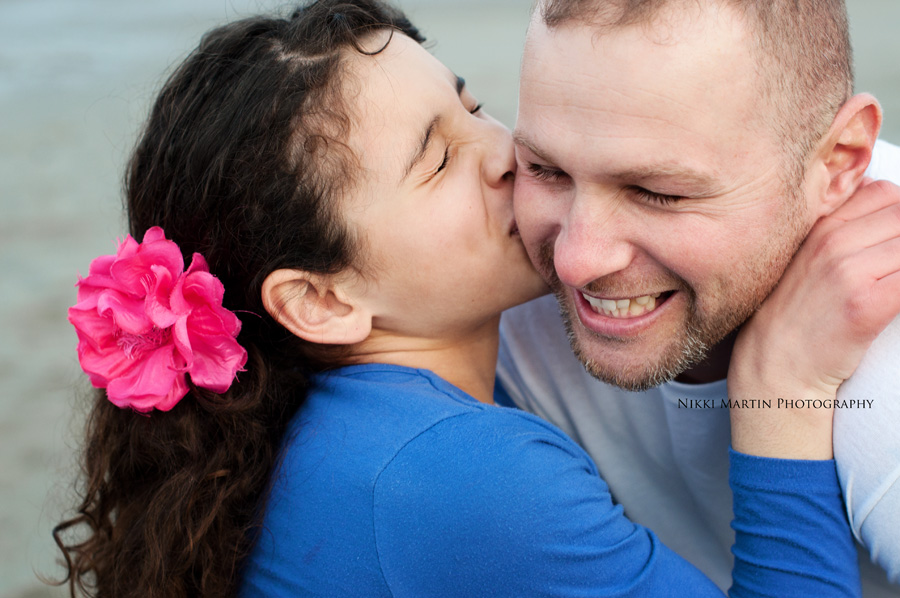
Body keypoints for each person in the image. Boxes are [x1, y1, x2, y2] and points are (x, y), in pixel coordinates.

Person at [53, 1, 897, 596]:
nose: (504, 153)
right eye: (437, 158)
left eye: (472, 107)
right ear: (318, 299)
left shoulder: (327, 421)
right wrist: (782, 390)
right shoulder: (462, 475)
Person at [502, 0, 900, 595]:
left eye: (657, 192)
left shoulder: (886, 377)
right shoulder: (496, 281)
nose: (574, 262)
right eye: (544, 169)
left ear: (838, 164)